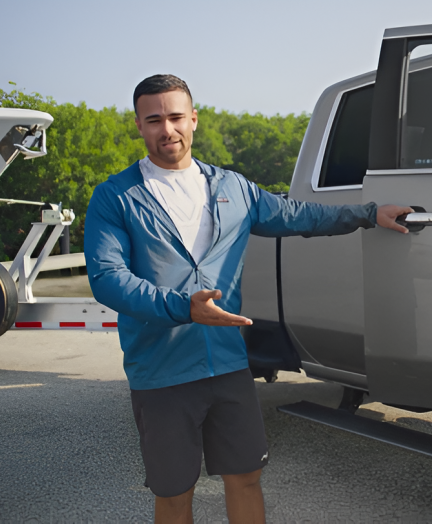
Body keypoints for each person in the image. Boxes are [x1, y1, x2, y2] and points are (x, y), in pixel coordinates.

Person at [84, 74, 411, 524]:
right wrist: (183, 307)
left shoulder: (232, 189)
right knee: (176, 492)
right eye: (154, 119)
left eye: (177, 117)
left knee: (247, 478)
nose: (168, 130)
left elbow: (299, 215)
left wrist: (369, 213)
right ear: (138, 126)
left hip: (229, 366)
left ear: (194, 120)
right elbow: (107, 278)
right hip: (162, 373)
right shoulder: (115, 197)